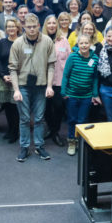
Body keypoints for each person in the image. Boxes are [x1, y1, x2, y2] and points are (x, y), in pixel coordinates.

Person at [9, 14, 56, 162]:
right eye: (28, 27)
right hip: (23, 86)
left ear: (39, 26)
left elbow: (51, 65)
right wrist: (16, 90)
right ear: (23, 27)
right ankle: (24, 147)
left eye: (34, 26)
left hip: (41, 86)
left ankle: (39, 146)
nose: (31, 29)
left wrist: (49, 86)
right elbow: (12, 69)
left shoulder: (47, 41)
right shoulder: (17, 43)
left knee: (39, 118)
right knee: (24, 119)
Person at [62, 34, 101, 155]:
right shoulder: (72, 57)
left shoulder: (95, 58)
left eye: (86, 43)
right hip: (72, 95)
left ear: (90, 44)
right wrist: (63, 91)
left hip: (86, 96)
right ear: (78, 44)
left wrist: (95, 94)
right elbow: (66, 75)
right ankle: (71, 142)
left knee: (82, 120)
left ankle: (80, 141)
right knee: (72, 119)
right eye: (81, 43)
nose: (84, 45)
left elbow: (95, 78)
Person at [43, 14, 69, 147]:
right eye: (49, 23)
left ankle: (55, 131)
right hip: (44, 81)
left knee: (59, 107)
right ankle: (50, 128)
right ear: (45, 25)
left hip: (59, 80)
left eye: (54, 23)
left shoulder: (63, 40)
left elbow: (69, 60)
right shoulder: (40, 40)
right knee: (45, 108)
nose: (52, 25)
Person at [0, 17, 20, 143]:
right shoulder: (2, 42)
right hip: (4, 79)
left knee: (15, 107)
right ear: (6, 29)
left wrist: (15, 76)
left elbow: (25, 61)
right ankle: (10, 129)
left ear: (17, 28)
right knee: (7, 105)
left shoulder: (22, 42)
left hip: (18, 79)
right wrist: (3, 75)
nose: (11, 28)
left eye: (13, 26)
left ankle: (15, 132)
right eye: (8, 26)